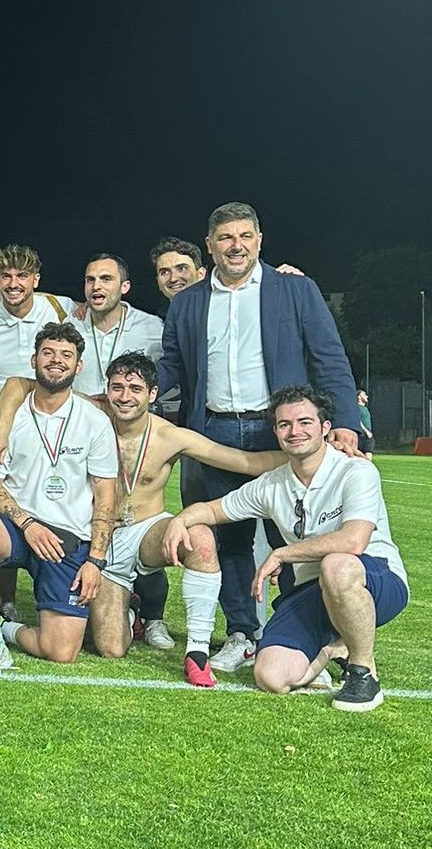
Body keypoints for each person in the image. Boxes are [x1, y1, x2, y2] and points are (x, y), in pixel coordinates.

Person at [0, 352, 288, 685]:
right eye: (117, 387)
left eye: (135, 389)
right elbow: (18, 384)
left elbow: (244, 462)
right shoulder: (91, 413)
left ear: (153, 394)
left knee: (199, 537)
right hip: (99, 539)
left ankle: (197, 652)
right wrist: (3, 426)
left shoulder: (171, 436)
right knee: (111, 648)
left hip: (146, 531)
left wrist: (313, 452)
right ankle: (128, 613)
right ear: (106, 390)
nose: (125, 397)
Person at [156, 201, 361, 672]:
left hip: (281, 433)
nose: (236, 246)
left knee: (295, 537)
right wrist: (130, 395)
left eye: (245, 236)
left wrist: (346, 422)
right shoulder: (187, 302)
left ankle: (298, 633)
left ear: (259, 241)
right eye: (226, 238)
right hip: (215, 433)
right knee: (229, 539)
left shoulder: (295, 289)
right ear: (209, 246)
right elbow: (171, 368)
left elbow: (329, 357)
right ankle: (242, 634)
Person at [163, 386, 408, 711]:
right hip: (313, 590)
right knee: (271, 676)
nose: (295, 431)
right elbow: (213, 509)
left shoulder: (355, 470)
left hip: (374, 579)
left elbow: (354, 541)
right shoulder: (273, 483)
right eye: (284, 424)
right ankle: (334, 648)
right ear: (276, 432)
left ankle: (363, 673)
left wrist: (281, 554)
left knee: (336, 565)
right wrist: (180, 520)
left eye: (305, 422)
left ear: (325, 428)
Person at [0, 322, 118, 673]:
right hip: (19, 526)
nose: (56, 360)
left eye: (66, 355)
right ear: (34, 360)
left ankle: (5, 628)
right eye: (48, 353)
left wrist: (96, 561)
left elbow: (106, 497)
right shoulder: (10, 417)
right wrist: (27, 524)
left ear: (79, 366)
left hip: (67, 538)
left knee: (61, 651)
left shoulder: (95, 422)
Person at [0, 244, 76, 413]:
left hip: (52, 422)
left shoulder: (60, 308)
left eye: (22, 276)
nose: (13, 284)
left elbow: (95, 311)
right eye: (6, 276)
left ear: (36, 280)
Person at [72, 254, 163, 397]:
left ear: (124, 287)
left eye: (106, 279)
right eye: (90, 280)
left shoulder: (153, 327)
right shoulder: (70, 326)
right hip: (81, 410)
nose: (96, 286)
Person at [357, 390, 375, 459]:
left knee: (368, 458)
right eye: (364, 395)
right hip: (361, 436)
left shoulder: (365, 408)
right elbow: (358, 421)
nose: (367, 396)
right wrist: (366, 431)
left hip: (368, 436)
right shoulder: (357, 408)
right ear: (359, 397)